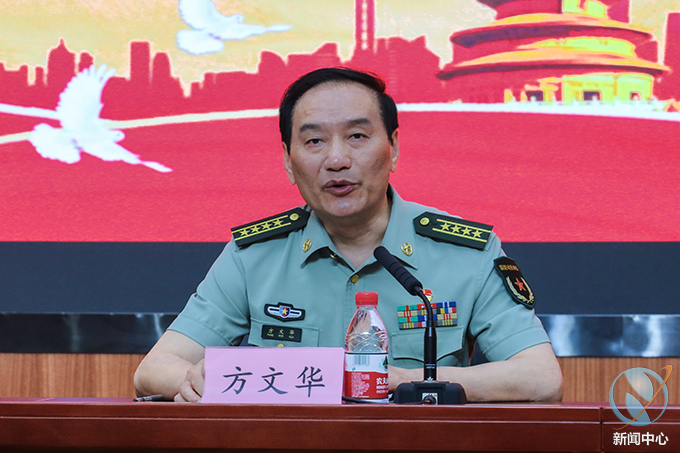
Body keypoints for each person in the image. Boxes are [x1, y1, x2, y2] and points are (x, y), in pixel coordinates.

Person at [134, 67, 563, 403]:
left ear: (393, 148)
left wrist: (407, 381)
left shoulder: (466, 253)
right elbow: (154, 370)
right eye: (314, 142)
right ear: (288, 162)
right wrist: (202, 379)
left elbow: (541, 378)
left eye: (357, 136)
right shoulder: (255, 255)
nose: (337, 159)